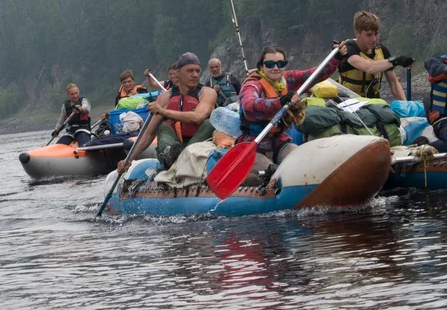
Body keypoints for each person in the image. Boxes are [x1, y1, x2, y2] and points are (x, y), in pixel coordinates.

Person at [237, 43, 347, 186]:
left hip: (279, 141)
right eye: (270, 64)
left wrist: (336, 58)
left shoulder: (287, 79)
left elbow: (314, 75)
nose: (275, 68)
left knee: (301, 164)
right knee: (272, 174)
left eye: (280, 64)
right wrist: (279, 102)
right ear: (261, 66)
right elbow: (249, 105)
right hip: (254, 145)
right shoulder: (252, 84)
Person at [117, 52, 217, 172]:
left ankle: (185, 154)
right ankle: (168, 154)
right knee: (163, 127)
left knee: (208, 124)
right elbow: (149, 134)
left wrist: (163, 112)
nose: (195, 75)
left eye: (197, 71)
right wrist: (128, 160)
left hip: (198, 143)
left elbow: (198, 117)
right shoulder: (165, 97)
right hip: (175, 145)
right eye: (190, 71)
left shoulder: (207, 93)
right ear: (178, 74)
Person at [337, 11, 414, 100]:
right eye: (369, 35)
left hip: (373, 102)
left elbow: (394, 83)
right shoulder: (348, 49)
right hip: (348, 101)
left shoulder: (382, 50)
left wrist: (405, 105)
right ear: (357, 33)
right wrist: (396, 60)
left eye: (376, 34)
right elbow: (369, 67)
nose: (374, 39)